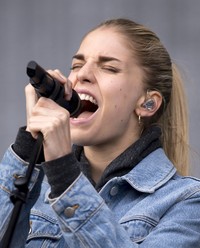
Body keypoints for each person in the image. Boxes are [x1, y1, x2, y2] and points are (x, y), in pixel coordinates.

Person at [0, 18, 200, 247]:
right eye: (76, 65)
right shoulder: (35, 191)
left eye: (109, 68)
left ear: (147, 104)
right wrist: (27, 147)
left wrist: (65, 176)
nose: (82, 75)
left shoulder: (187, 203)